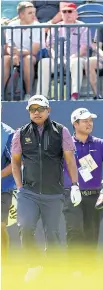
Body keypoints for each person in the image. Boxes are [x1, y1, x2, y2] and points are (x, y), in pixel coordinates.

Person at [11, 95, 80, 282]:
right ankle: (34, 264)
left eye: (40, 109)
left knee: (53, 234)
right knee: (25, 228)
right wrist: (19, 188)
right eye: (32, 109)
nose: (36, 112)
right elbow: (15, 163)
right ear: (29, 112)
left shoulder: (61, 131)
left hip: (54, 193)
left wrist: (75, 185)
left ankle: (54, 272)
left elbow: (70, 160)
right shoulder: (20, 133)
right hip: (29, 192)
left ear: (48, 110)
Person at [63, 108, 103, 269]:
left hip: (94, 196)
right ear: (75, 124)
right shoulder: (65, 144)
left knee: (91, 235)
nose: (89, 123)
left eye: (91, 120)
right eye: (85, 121)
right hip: (72, 195)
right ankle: (75, 270)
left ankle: (89, 272)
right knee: (75, 231)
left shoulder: (100, 143)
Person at [1, 122, 16, 264]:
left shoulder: (8, 133)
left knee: (0, 227)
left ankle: (3, 264)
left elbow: (15, 162)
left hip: (3, 189)